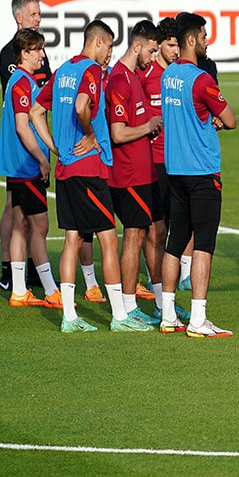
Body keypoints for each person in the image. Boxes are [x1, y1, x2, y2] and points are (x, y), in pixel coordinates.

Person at [30, 20, 144, 333]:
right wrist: (92, 133)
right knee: (108, 239)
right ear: (97, 42)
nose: (110, 53)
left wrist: (54, 146)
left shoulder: (63, 70)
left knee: (71, 240)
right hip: (88, 169)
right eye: (109, 46)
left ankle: (69, 317)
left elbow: (36, 112)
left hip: (66, 169)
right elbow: (83, 105)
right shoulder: (91, 71)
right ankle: (120, 316)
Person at [157, 12, 237, 338]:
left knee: (175, 241)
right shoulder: (202, 80)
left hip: (174, 170)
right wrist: (214, 119)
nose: (206, 42)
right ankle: (198, 319)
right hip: (202, 171)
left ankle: (167, 315)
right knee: (203, 243)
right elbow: (229, 119)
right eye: (204, 36)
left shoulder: (167, 76)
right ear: (192, 39)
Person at [0, 28, 60, 309]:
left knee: (21, 226)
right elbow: (23, 127)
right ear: (25, 53)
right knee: (40, 226)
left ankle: (19, 290)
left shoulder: (19, 82)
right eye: (38, 50)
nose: (43, 55)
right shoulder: (22, 83)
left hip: (17, 168)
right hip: (27, 168)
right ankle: (50, 289)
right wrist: (43, 159)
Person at [106, 20, 164, 327]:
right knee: (133, 235)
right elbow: (117, 133)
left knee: (151, 233)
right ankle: (127, 310)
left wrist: (147, 128)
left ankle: (159, 303)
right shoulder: (118, 80)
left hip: (144, 172)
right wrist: (148, 126)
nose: (153, 58)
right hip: (128, 175)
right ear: (137, 46)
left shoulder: (133, 77)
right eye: (152, 51)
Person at [139, 17, 192, 303]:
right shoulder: (145, 77)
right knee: (154, 229)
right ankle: (153, 282)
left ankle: (169, 285)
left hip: (177, 162)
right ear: (159, 46)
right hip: (153, 163)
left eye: (177, 45)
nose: (175, 50)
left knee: (176, 227)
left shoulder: (178, 77)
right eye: (170, 45)